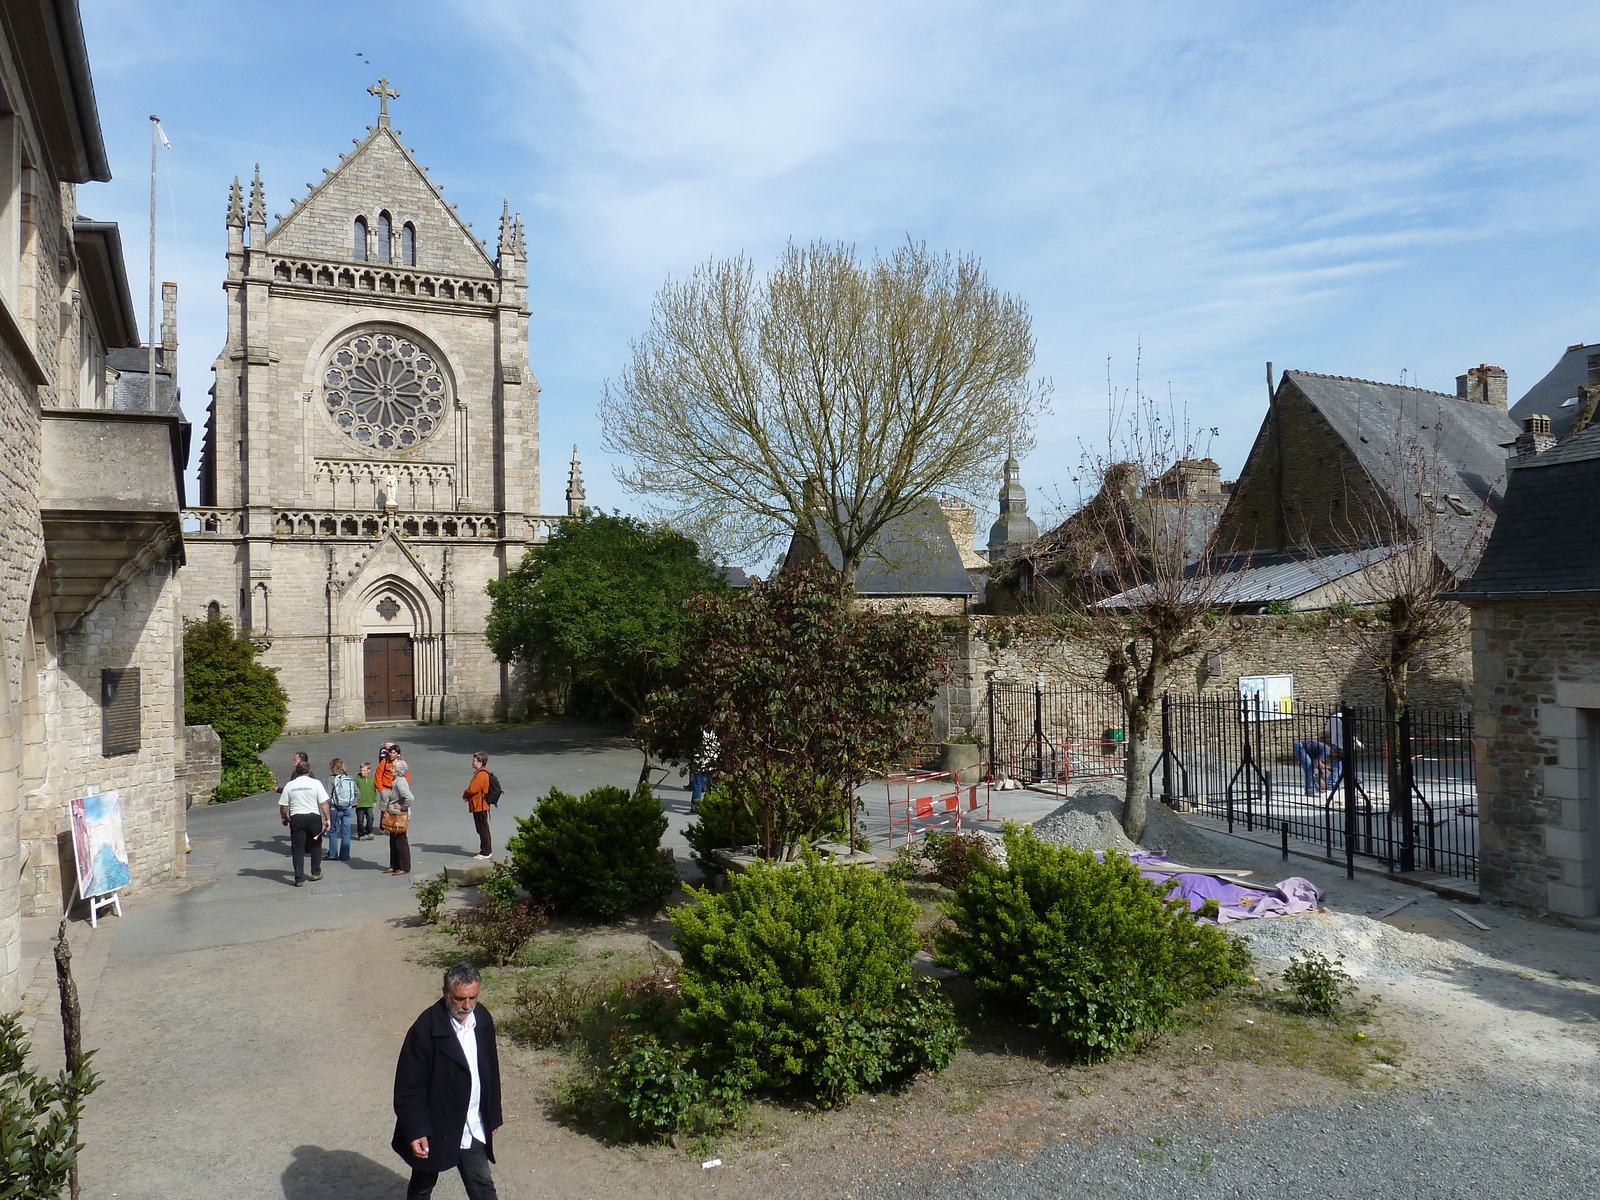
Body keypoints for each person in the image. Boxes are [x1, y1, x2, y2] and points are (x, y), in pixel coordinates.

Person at [392, 961, 503, 1199]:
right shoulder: (425, 1029)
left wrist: (492, 1113)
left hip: (471, 1123)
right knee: (423, 1184)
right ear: (445, 993)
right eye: (459, 999)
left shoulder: (482, 1019)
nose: (467, 1005)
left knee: (483, 1186)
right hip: (435, 1125)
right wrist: (416, 1129)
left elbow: (490, 1071)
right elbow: (408, 1086)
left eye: (473, 998)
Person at [277, 762, 329, 887]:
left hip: (297, 817)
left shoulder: (290, 785)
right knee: (316, 845)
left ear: (296, 771)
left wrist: (284, 817)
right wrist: (327, 818)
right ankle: (316, 872)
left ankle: (299, 878)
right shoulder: (316, 783)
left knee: (297, 849)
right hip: (313, 817)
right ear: (310, 771)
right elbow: (324, 803)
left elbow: (284, 806)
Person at [384, 744, 414, 876]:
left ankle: (404, 866)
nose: (391, 769)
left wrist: (402, 806)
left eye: (393, 768)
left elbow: (409, 797)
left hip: (399, 815)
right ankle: (395, 865)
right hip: (394, 815)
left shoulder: (400, 782)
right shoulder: (396, 780)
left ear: (397, 770)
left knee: (400, 841)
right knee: (393, 841)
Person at [462, 753, 493, 860]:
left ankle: (485, 852)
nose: (472, 762)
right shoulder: (483, 772)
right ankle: (486, 850)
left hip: (480, 805)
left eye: (474, 760)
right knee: (483, 828)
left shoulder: (481, 774)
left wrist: (465, 793)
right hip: (481, 805)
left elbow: (473, 789)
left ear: (480, 762)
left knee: (482, 828)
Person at [327, 758, 357, 862]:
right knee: (346, 831)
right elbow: (358, 793)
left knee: (333, 830)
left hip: (335, 808)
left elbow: (328, 796)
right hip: (348, 808)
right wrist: (352, 803)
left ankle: (332, 854)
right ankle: (345, 855)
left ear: (333, 767)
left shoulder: (331, 779)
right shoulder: (349, 778)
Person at [689, 728, 719, 812]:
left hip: (701, 763)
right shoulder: (717, 731)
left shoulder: (699, 733)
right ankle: (715, 805)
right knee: (714, 785)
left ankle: (695, 807)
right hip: (713, 762)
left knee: (698, 784)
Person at [354, 760, 378, 840]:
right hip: (360, 803)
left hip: (369, 803)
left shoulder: (371, 779)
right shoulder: (357, 779)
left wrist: (374, 801)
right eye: (361, 770)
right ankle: (361, 834)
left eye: (364, 770)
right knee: (360, 820)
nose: (362, 772)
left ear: (368, 771)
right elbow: (354, 791)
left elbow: (373, 791)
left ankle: (369, 831)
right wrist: (354, 802)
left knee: (370, 817)